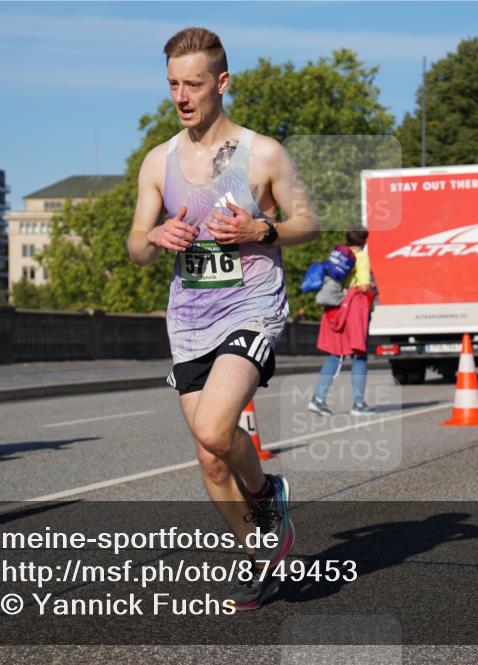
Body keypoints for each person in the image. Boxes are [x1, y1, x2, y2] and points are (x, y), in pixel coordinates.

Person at [125, 28, 319, 610]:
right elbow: (134, 244)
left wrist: (264, 228)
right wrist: (154, 235)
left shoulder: (263, 152)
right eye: (172, 85)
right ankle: (259, 558)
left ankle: (265, 495)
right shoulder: (159, 160)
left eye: (193, 84)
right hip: (189, 318)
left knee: (215, 428)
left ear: (222, 83)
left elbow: (307, 221)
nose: (181, 97)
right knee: (210, 459)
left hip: (250, 307)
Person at [308, 227, 375, 416]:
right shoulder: (361, 256)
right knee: (359, 355)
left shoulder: (338, 255)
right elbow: (363, 285)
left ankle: (318, 398)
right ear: (364, 241)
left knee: (335, 354)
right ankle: (358, 404)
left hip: (337, 305)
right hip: (355, 307)